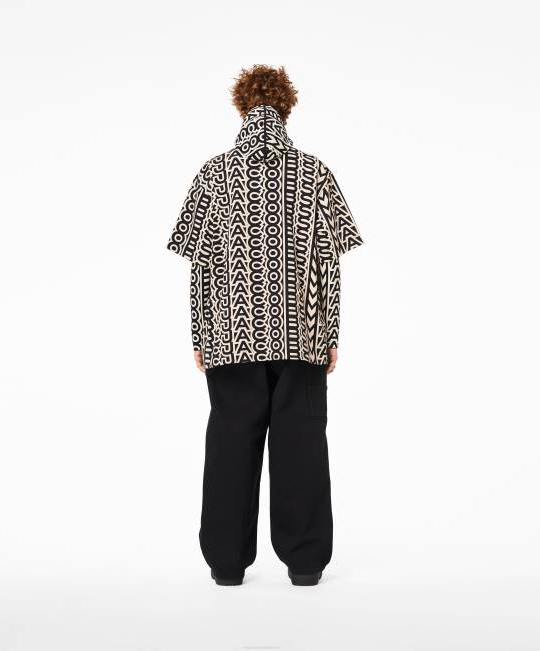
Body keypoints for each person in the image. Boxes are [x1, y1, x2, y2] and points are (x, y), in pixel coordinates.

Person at [167, 65, 363, 587]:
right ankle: (306, 565)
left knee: (231, 443)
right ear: (287, 109)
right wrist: (331, 334)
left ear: (241, 108)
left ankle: (226, 564)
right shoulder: (315, 173)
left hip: (229, 334)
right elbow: (330, 263)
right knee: (302, 445)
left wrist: (200, 334)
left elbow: (199, 262)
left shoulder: (213, 174)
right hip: (302, 334)